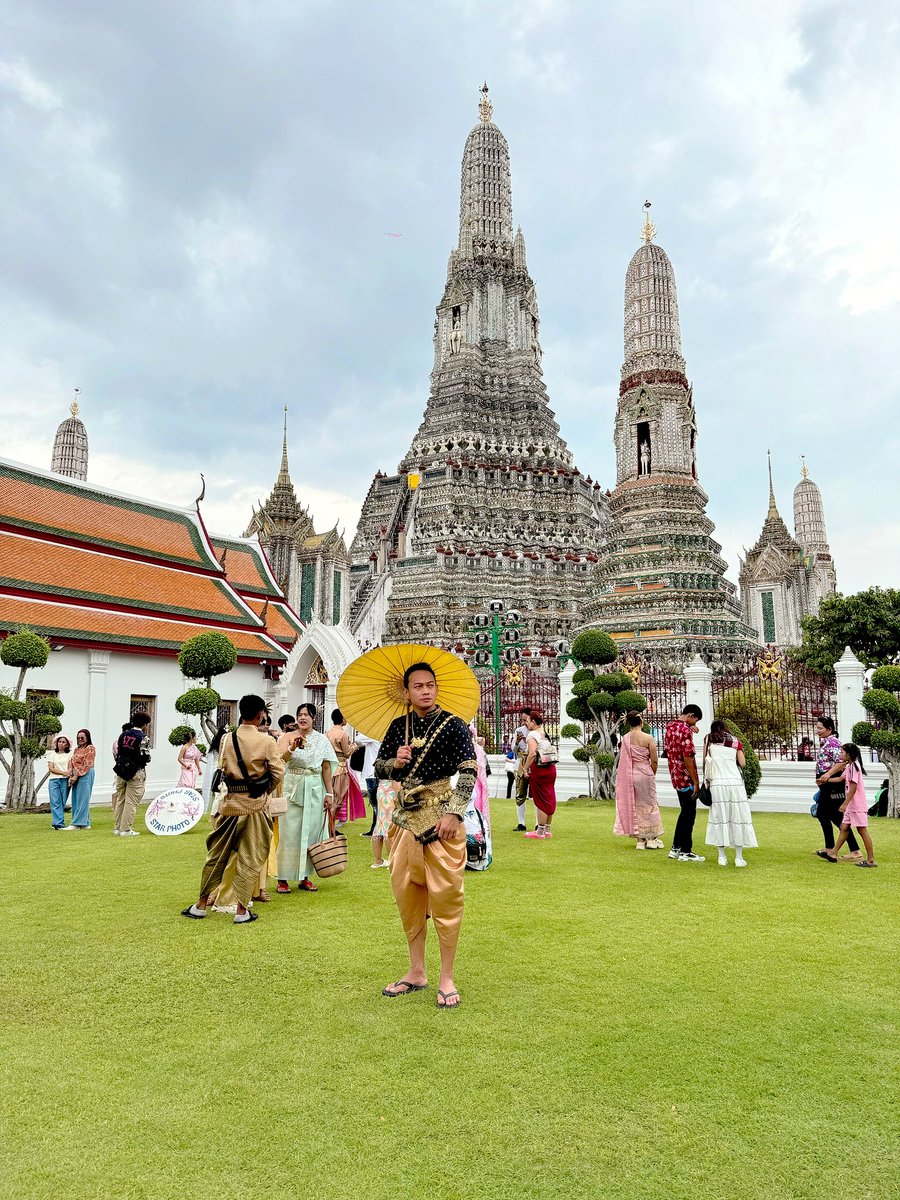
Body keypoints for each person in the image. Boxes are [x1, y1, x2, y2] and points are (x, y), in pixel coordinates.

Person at [376, 662, 477, 1009]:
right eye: (417, 686)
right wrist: (396, 762)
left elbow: (468, 770)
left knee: (447, 898)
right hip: (404, 819)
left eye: (430, 685)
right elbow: (378, 767)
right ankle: (417, 971)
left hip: (442, 818)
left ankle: (446, 976)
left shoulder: (454, 725)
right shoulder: (397, 727)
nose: (425, 691)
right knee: (408, 896)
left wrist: (455, 812)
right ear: (406, 692)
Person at [181, 694, 284, 925]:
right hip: (255, 805)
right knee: (251, 856)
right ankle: (240, 909)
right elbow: (277, 773)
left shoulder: (227, 738)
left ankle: (200, 904)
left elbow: (221, 766)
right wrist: (264, 790)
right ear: (260, 715)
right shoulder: (266, 741)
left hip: (229, 804)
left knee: (217, 855)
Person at [276, 702, 338, 893]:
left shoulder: (322, 740)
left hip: (315, 788)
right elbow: (280, 760)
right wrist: (292, 748)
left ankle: (305, 876)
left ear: (314, 719)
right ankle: (283, 878)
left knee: (311, 833)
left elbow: (326, 767)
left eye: (306, 715)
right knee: (289, 833)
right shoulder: (287, 737)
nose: (302, 718)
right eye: (300, 714)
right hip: (293, 787)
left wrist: (329, 792)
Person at [703, 720, 757, 867]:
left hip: (717, 783)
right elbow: (743, 763)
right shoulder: (735, 741)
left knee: (719, 818)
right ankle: (739, 857)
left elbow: (705, 761)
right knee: (738, 818)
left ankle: (722, 856)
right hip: (735, 783)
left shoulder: (709, 739)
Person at [817, 744, 877, 867]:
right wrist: (825, 780)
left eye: (842, 752)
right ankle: (833, 853)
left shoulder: (854, 766)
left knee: (862, 830)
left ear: (848, 754)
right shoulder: (850, 766)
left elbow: (854, 787)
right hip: (851, 806)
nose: (840, 754)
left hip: (856, 804)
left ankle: (871, 860)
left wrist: (845, 804)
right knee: (844, 828)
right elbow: (840, 779)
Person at [614, 712, 663, 849]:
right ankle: (652, 838)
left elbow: (624, 761)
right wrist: (652, 773)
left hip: (631, 774)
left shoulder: (625, 738)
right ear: (641, 721)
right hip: (645, 772)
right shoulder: (648, 738)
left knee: (636, 805)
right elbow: (654, 759)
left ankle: (640, 840)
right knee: (650, 804)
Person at [814, 717, 860, 861]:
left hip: (833, 785)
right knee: (826, 814)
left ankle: (854, 850)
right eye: (817, 728)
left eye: (820, 728)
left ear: (829, 729)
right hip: (828, 783)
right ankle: (832, 847)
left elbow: (842, 762)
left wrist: (827, 775)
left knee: (832, 815)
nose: (818, 731)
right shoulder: (826, 742)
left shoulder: (833, 743)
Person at [664, 705, 705, 862]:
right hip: (686, 777)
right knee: (689, 814)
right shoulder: (685, 730)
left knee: (684, 812)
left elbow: (684, 724)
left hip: (675, 776)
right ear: (691, 715)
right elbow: (688, 757)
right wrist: (696, 782)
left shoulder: (670, 726)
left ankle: (676, 848)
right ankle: (685, 851)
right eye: (695, 719)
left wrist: (692, 724)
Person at [112, 712, 151, 837]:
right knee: (131, 801)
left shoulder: (123, 735)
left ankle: (117, 828)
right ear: (144, 724)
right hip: (136, 771)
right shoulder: (143, 737)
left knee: (121, 799)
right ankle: (126, 829)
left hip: (121, 770)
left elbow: (119, 752)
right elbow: (145, 757)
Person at [326, 708, 366, 825]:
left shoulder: (328, 732)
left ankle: (329, 827)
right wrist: (354, 746)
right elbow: (347, 753)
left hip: (330, 767)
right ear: (342, 718)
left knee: (331, 798)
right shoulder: (343, 734)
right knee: (338, 800)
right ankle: (330, 828)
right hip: (340, 768)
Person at [523, 710, 558, 839]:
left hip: (539, 769)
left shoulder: (532, 735)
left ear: (533, 721)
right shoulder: (545, 733)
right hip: (550, 768)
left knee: (541, 800)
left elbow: (532, 754)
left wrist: (525, 768)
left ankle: (540, 832)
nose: (526, 724)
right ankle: (547, 829)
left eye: (527, 721)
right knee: (549, 796)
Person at [65, 729, 95, 830]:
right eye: (78, 738)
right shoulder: (77, 750)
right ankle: (85, 822)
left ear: (87, 738)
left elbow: (87, 763)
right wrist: (71, 774)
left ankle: (77, 823)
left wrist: (76, 775)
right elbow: (72, 762)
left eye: (82, 737)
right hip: (76, 774)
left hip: (86, 773)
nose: (80, 739)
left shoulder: (90, 748)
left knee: (83, 798)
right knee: (76, 798)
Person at [355, 731, 381, 836]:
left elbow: (358, 740)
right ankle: (377, 828)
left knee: (375, 803)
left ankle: (375, 829)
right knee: (378, 803)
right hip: (378, 772)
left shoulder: (373, 735)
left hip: (371, 773)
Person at [512, 707, 532, 830]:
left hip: (533, 763)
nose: (524, 722)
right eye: (523, 720)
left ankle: (538, 823)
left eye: (526, 720)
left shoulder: (537, 731)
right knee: (520, 792)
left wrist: (528, 742)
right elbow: (513, 751)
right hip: (520, 763)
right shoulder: (519, 730)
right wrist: (517, 742)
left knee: (536, 794)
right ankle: (521, 823)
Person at [46, 735, 72, 829]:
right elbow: (51, 769)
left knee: (62, 801)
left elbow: (70, 767)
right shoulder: (52, 755)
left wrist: (67, 774)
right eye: (59, 741)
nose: (61, 743)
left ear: (67, 744)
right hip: (54, 779)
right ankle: (59, 823)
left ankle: (57, 821)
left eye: (63, 742)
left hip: (65, 780)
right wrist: (63, 772)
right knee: (55, 801)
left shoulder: (70, 754)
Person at [201, 727, 226, 814]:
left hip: (215, 770)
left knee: (218, 793)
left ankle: (216, 811)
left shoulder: (214, 748)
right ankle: (215, 811)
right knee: (219, 793)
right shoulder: (222, 747)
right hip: (220, 771)